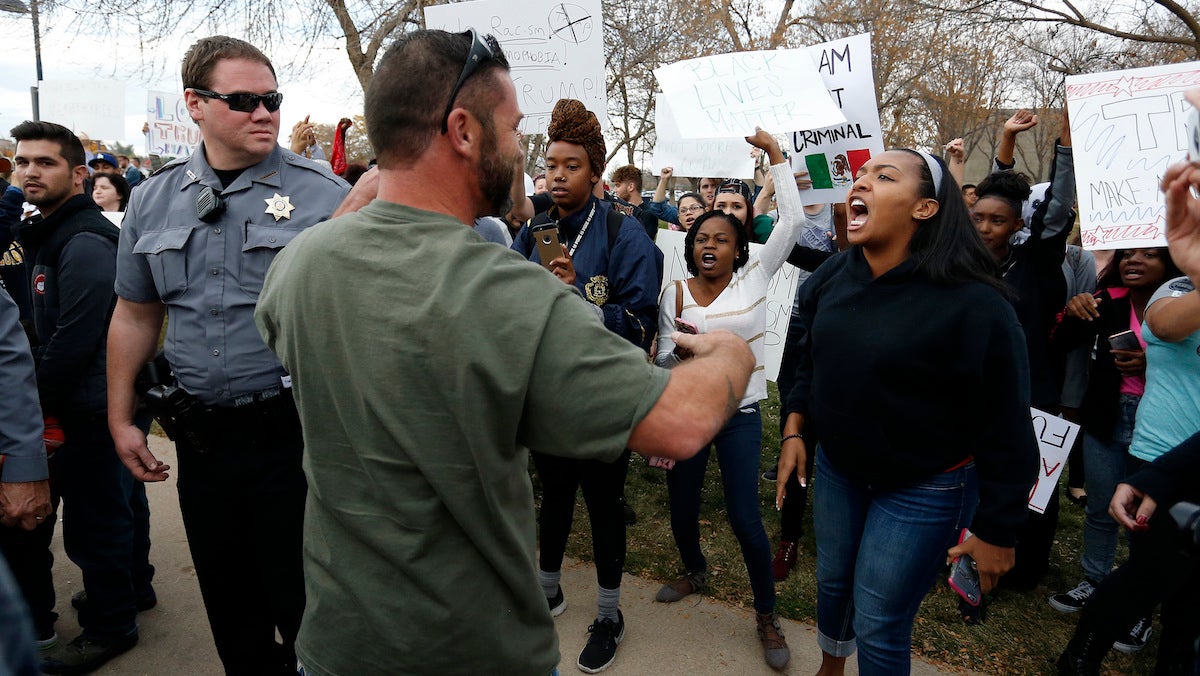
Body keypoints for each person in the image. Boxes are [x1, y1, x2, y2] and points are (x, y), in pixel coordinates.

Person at [251, 28, 754, 675]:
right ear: (464, 130)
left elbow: (276, 317)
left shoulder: (301, 264)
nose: (524, 153)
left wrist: (359, 201)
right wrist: (731, 354)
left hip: (336, 648)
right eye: (515, 130)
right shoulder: (503, 292)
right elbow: (681, 424)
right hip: (471, 651)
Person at [106, 36, 350, 675]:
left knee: (310, 615)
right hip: (204, 443)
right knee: (233, 615)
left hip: (295, 442)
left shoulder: (324, 196)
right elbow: (135, 312)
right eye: (243, 100)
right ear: (196, 104)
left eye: (271, 99)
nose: (263, 112)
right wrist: (120, 416)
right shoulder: (152, 199)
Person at [776, 148, 1039, 675]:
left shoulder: (976, 304)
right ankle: (830, 667)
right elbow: (807, 359)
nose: (861, 182)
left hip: (927, 486)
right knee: (833, 582)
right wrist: (795, 427)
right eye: (862, 174)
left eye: (885, 176)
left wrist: (998, 528)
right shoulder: (831, 277)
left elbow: (1007, 421)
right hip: (839, 471)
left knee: (878, 617)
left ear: (924, 208)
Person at [511, 97, 663, 673]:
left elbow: (641, 324)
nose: (558, 174)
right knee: (552, 498)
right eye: (551, 164)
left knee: (602, 505)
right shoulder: (540, 230)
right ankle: (547, 590)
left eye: (571, 166)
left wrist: (578, 299)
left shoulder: (624, 235)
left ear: (596, 173)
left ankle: (608, 614)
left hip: (603, 400)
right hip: (548, 397)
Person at [652, 129, 802, 671]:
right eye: (700, 239)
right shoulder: (673, 293)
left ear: (740, 248)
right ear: (690, 248)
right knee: (681, 505)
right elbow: (666, 360)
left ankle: (766, 613)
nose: (708, 245)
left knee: (744, 517)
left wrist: (776, 157)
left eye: (720, 238)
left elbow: (794, 223)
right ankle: (694, 569)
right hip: (690, 417)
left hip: (739, 417)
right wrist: (676, 357)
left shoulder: (756, 278)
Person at [9, 120, 149, 674]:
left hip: (89, 406)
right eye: (22, 162)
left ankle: (112, 627)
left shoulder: (84, 238)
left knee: (97, 525)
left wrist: (30, 399)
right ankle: (132, 592)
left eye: (44, 162)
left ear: (77, 173)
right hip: (80, 400)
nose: (29, 172)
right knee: (116, 511)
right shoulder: (47, 229)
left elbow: (76, 336)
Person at [1047, 248, 1180, 647]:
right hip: (1106, 415)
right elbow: (1061, 341)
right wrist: (1072, 311)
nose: (1134, 262)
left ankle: (1138, 607)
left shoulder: (1181, 304)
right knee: (1102, 505)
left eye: (1150, 256)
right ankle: (1094, 580)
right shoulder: (1109, 301)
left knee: (1146, 521)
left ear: (1170, 264)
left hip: (1159, 423)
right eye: (1128, 255)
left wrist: (1150, 363)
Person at [609, 164, 660, 240]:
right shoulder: (616, 210)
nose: (615, 190)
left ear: (631, 187)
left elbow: (642, 244)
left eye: (618, 185)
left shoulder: (648, 215)